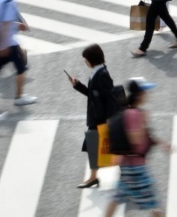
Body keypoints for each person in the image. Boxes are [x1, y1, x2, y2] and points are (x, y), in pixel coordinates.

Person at [104, 78, 171, 217]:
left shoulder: (133, 112)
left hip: (128, 165)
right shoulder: (134, 114)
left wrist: (162, 143)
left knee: (117, 197)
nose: (147, 94)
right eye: (145, 92)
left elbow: (146, 137)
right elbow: (135, 139)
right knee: (154, 203)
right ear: (139, 94)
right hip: (135, 168)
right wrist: (143, 121)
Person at [69, 44, 117, 189]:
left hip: (101, 118)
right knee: (94, 147)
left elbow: (109, 97)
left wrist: (109, 119)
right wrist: (78, 86)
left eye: (86, 59)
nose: (85, 62)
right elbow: (93, 95)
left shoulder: (102, 74)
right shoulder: (98, 71)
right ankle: (93, 178)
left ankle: (126, 174)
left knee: (109, 148)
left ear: (91, 60)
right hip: (98, 117)